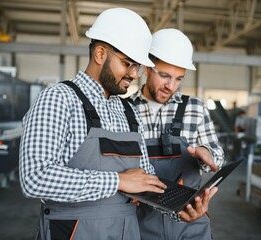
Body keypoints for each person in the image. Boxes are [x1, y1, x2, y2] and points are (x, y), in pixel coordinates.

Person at [19, 8, 167, 239]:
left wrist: (179, 206)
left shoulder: (129, 111)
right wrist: (117, 181)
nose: (134, 74)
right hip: (72, 231)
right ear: (100, 54)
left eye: (137, 66)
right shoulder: (59, 98)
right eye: (128, 63)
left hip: (127, 231)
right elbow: (35, 178)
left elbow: (143, 179)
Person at [130, 28, 225, 240]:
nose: (170, 86)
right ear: (147, 67)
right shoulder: (123, 110)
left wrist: (206, 153)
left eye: (178, 79)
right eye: (164, 76)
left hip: (190, 220)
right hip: (140, 225)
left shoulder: (195, 108)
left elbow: (217, 155)